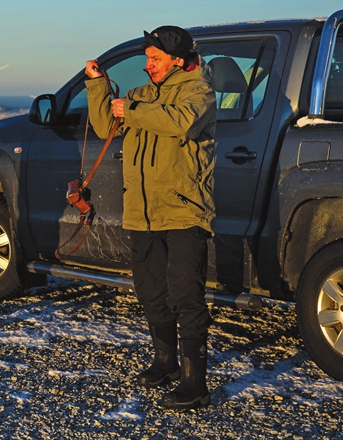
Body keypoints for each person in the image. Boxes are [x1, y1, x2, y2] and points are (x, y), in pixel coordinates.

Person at [85, 25, 216, 410]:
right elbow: (106, 126)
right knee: (150, 290)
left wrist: (135, 110)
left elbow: (180, 122)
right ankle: (166, 364)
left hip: (182, 211)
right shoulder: (143, 95)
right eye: (147, 59)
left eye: (155, 59)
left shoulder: (199, 91)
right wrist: (98, 87)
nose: (148, 66)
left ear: (177, 59)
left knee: (185, 295)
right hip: (141, 213)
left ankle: (196, 385)